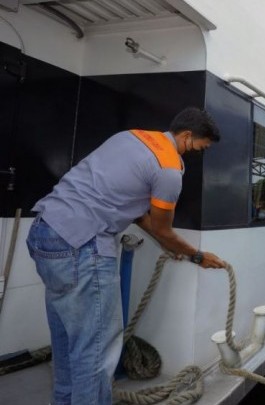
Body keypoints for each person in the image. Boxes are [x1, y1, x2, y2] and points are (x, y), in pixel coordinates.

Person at [25, 107, 226, 405]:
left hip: (45, 232)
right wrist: (197, 256)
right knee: (95, 350)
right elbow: (162, 228)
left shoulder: (130, 137)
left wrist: (170, 246)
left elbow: (131, 209)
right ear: (186, 136)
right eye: (200, 146)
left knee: (68, 341)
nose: (198, 152)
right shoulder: (170, 169)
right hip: (83, 246)